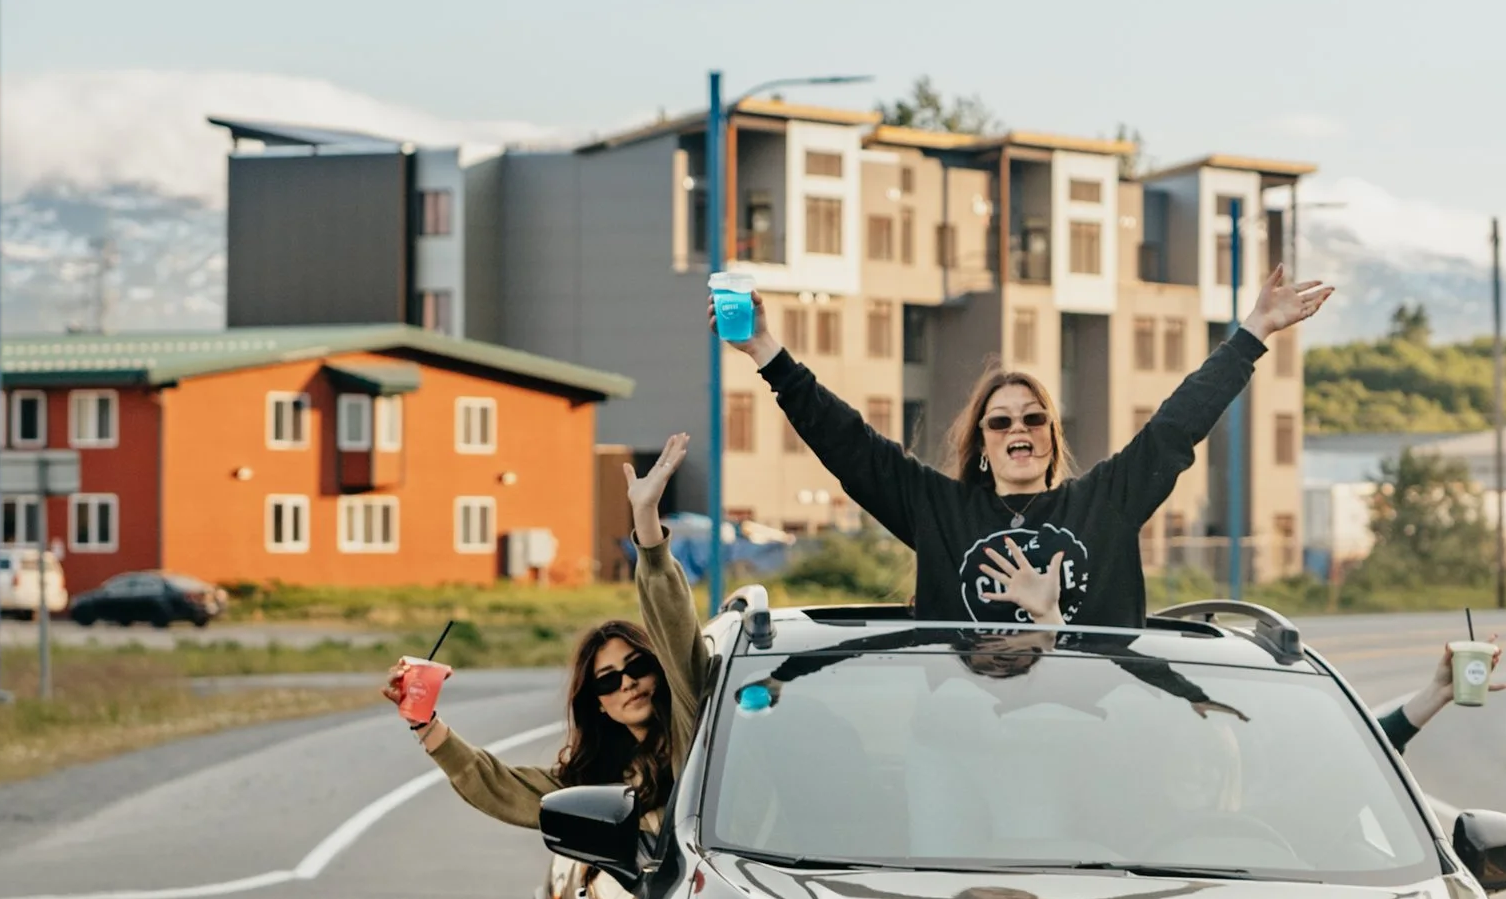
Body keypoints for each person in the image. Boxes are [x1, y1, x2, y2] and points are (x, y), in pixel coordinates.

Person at [729, 259, 1334, 625]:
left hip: (1084, 734)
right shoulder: (939, 510)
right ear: (982, 445)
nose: (1019, 428)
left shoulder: (1105, 504)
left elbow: (1177, 425)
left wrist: (1253, 333)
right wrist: (766, 352)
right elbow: (850, 445)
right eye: (1000, 422)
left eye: (1034, 418)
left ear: (1051, 434)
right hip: (964, 741)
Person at [385, 437, 705, 829]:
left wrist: (647, 524)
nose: (627, 684)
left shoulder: (696, 727)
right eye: (607, 682)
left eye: (636, 666)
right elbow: (503, 787)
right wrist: (424, 723)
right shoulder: (602, 785)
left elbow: (674, 627)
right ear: (598, 704)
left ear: (658, 669)